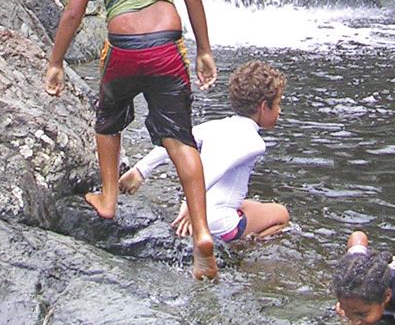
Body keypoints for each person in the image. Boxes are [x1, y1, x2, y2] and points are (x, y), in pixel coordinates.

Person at [43, 0, 220, 279]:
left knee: (107, 121)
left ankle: (108, 199)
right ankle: (202, 231)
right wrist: (205, 51)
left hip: (122, 51)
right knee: (180, 138)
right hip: (166, 49)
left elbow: (73, 11)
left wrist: (55, 62)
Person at [120, 59, 290, 245]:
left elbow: (176, 142)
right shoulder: (254, 142)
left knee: (252, 205)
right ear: (264, 106)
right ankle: (246, 245)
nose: (280, 111)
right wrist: (189, 204)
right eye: (278, 104)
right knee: (281, 213)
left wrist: (141, 170)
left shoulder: (215, 126)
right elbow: (215, 168)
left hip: (203, 210)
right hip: (216, 223)